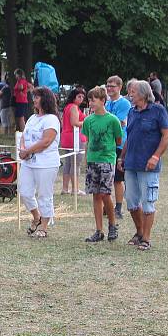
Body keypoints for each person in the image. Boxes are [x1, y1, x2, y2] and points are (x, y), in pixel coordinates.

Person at [119, 79, 168, 251]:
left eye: (132, 91)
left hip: (148, 165)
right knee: (132, 202)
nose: (130, 94)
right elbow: (130, 136)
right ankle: (139, 232)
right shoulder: (132, 112)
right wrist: (122, 157)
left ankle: (146, 239)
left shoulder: (158, 110)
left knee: (148, 202)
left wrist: (155, 156)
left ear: (142, 93)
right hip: (131, 164)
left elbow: (166, 136)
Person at [18, 87, 61, 239]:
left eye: (37, 97)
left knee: (44, 195)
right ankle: (37, 217)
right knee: (24, 192)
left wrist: (28, 151)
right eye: (34, 97)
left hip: (46, 163)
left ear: (45, 99)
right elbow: (24, 135)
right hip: (29, 162)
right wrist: (23, 149)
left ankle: (44, 227)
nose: (34, 99)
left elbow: (46, 141)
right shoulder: (32, 118)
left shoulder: (52, 119)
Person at [82, 86, 123, 242]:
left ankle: (113, 225)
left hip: (107, 160)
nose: (91, 103)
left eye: (94, 99)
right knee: (96, 195)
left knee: (105, 193)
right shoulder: (88, 120)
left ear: (103, 100)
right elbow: (88, 140)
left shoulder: (112, 120)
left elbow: (118, 140)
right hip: (93, 160)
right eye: (89, 100)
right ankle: (99, 230)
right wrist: (87, 158)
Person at [105, 75, 131, 219]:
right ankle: (107, 205)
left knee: (117, 178)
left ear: (120, 87)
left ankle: (118, 208)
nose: (109, 88)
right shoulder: (107, 103)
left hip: (119, 144)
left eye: (112, 86)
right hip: (107, 144)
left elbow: (120, 123)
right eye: (108, 85)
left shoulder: (124, 104)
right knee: (107, 175)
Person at [59, 87, 87, 195]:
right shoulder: (74, 107)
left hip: (66, 136)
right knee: (76, 163)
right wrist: (87, 121)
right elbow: (74, 122)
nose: (81, 99)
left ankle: (65, 188)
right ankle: (75, 189)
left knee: (68, 163)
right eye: (79, 96)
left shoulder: (67, 107)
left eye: (82, 97)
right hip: (75, 137)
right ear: (74, 97)